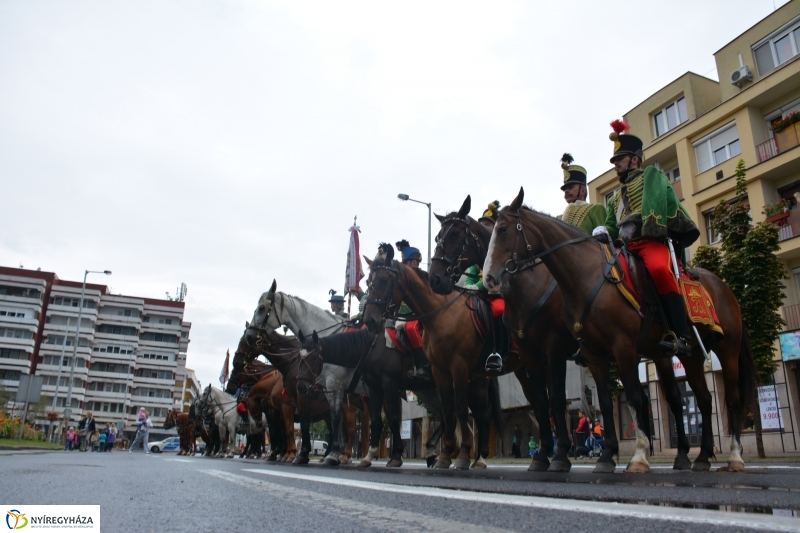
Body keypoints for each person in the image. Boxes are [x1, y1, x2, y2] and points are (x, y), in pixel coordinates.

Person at [597, 120, 700, 357]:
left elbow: (659, 205)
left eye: (619, 159)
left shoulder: (652, 176)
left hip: (650, 242)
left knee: (659, 269)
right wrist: (604, 231)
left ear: (634, 159)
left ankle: (682, 335)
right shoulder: (615, 198)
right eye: (614, 161)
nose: (615, 165)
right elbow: (613, 225)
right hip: (625, 248)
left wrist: (639, 222)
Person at [394, 240, 431, 380]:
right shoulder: (402, 280)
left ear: (414, 262)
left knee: (411, 329)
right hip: (402, 315)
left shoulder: (424, 278)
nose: (403, 266)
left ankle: (425, 365)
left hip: (419, 314)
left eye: (406, 262)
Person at [557, 153, 607, 235]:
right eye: (565, 189)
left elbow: (604, 239)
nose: (566, 191)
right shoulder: (559, 218)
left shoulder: (596, 209)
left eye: (571, 187)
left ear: (583, 191)